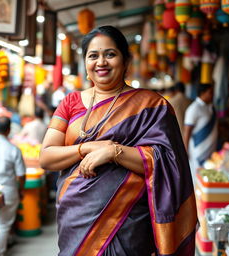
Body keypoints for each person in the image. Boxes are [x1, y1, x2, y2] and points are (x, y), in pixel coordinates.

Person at [40, 25, 198, 256]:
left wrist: (114, 152)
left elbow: (170, 163)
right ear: (85, 63)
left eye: (110, 54)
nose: (101, 62)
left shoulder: (152, 105)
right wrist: (90, 147)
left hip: (130, 223)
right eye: (93, 56)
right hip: (76, 219)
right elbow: (46, 157)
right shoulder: (70, 102)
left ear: (125, 61)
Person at [0, 116, 26, 256]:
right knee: (3, 226)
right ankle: (0, 252)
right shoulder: (13, 149)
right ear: (9, 130)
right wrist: (20, 191)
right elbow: (21, 175)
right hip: (8, 191)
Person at [183, 83, 218, 181]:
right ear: (202, 93)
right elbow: (187, 131)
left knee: (208, 176)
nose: (213, 95)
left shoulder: (210, 107)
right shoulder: (194, 108)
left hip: (210, 149)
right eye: (210, 93)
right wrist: (185, 150)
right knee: (198, 178)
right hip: (198, 150)